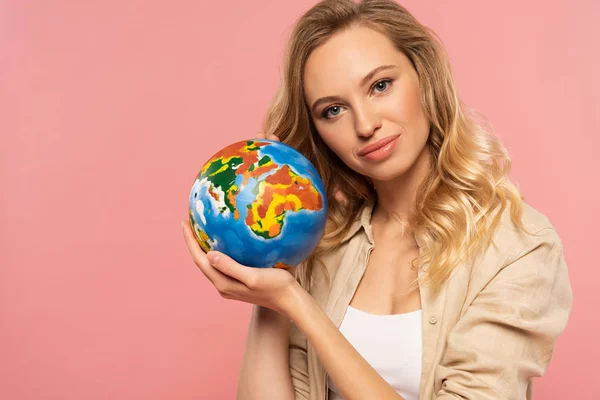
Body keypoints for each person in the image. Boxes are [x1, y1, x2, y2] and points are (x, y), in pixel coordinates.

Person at [182, 0, 573, 398]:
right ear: (318, 131)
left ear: (426, 77)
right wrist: (273, 282)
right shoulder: (323, 246)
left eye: (381, 86)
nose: (366, 125)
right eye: (333, 110)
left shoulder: (519, 247)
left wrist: (298, 304)